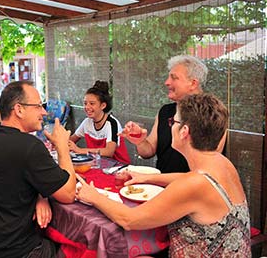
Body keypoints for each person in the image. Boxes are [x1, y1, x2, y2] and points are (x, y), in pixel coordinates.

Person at [76, 93, 250, 257]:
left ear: (184, 132)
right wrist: (147, 177)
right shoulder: (223, 164)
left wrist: (94, 197)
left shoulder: (194, 185)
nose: (171, 126)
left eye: (173, 122)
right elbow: (194, 180)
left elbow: (129, 220)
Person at [0, 80, 76, 258]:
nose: (44, 112)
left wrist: (41, 195)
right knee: (76, 249)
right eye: (38, 106)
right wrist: (62, 148)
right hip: (9, 252)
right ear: (19, 109)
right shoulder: (29, 146)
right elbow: (68, 194)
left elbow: (12, 178)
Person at [120, 55, 209, 173]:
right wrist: (140, 141)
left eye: (174, 78)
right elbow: (148, 151)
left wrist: (149, 178)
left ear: (193, 83)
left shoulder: (212, 115)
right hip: (161, 186)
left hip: (194, 189)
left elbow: (206, 172)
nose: (167, 82)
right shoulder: (165, 112)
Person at [69, 80, 130, 164]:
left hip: (118, 167)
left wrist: (80, 150)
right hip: (97, 165)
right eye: (85, 103)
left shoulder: (112, 123)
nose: (87, 107)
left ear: (103, 105)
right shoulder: (87, 122)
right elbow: (71, 140)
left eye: (92, 103)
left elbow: (109, 152)